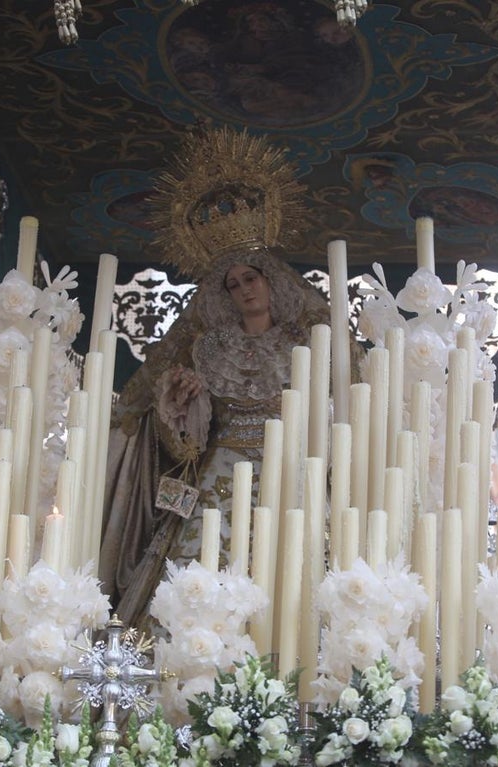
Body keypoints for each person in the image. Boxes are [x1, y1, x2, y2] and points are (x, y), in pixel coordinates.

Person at [98, 127, 333, 628]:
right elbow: (179, 441)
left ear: (269, 279)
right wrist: (180, 405)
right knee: (196, 568)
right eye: (233, 284)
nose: (244, 289)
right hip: (219, 472)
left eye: (251, 278)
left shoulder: (305, 343)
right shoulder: (208, 348)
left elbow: (332, 412)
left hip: (285, 471)